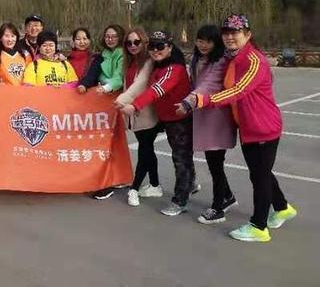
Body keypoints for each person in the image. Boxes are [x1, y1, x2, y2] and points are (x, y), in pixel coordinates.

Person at [190, 15, 297, 242]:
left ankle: (259, 227)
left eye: (235, 32)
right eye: (226, 32)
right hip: (248, 127)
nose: (229, 36)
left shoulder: (253, 60)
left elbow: (238, 90)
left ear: (247, 35)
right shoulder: (233, 58)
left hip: (263, 127)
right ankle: (282, 207)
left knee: (259, 177)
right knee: (261, 172)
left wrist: (203, 100)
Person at [118, 31, 196, 216]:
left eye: (160, 46)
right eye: (152, 46)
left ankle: (180, 201)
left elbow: (156, 90)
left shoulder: (173, 68)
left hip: (180, 120)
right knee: (183, 158)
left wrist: (134, 105)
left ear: (169, 47)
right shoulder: (156, 64)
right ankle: (198, 187)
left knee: (181, 160)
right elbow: (141, 83)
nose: (155, 50)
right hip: (167, 119)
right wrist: (125, 98)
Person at [178, 25, 237, 224]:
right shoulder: (197, 58)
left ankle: (217, 208)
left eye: (209, 41)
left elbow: (208, 85)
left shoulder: (221, 61)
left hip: (217, 117)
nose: (203, 45)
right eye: (200, 40)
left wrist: (188, 101)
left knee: (215, 163)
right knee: (214, 162)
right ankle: (227, 196)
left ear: (216, 42)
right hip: (203, 114)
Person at [114, 28, 161, 207]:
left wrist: (119, 101)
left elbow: (139, 84)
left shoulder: (148, 61)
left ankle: (134, 188)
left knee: (144, 149)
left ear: (144, 42)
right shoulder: (129, 62)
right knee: (147, 149)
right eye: (129, 43)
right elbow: (126, 84)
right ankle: (155, 185)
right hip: (133, 111)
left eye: (136, 42)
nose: (132, 46)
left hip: (146, 111)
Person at [78, 24, 125, 95]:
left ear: (120, 37)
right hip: (103, 92)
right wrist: (84, 85)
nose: (110, 39)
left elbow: (119, 77)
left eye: (114, 36)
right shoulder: (101, 56)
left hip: (119, 93)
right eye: (107, 36)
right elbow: (92, 74)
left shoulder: (124, 55)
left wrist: (106, 87)